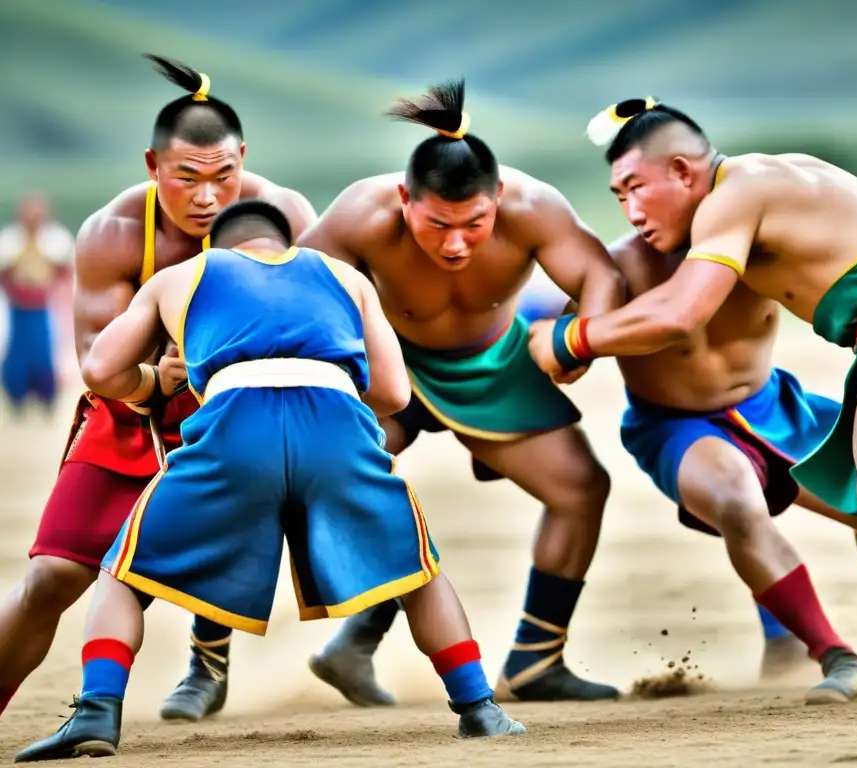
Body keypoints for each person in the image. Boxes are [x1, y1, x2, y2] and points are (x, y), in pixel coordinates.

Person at [527, 96, 857, 719]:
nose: (629, 209)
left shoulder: (736, 194)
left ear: (684, 171)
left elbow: (682, 312)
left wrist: (570, 338)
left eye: (636, 187)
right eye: (616, 194)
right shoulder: (761, 183)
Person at [12, 200, 526, 763]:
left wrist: (155, 380)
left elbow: (99, 370)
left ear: (222, 248)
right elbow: (395, 395)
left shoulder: (182, 276)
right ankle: (479, 707)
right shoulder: (344, 276)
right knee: (419, 570)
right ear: (286, 243)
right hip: (334, 422)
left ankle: (97, 713)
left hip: (232, 423)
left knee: (122, 572)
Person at [0, 55, 318, 724]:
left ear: (243, 160)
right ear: (152, 166)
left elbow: (328, 319)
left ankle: (211, 658)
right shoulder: (112, 234)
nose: (207, 198)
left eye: (223, 177)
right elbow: (96, 360)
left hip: (247, 413)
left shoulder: (287, 214)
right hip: (130, 409)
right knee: (52, 577)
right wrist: (155, 378)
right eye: (187, 179)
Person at [296, 78, 625, 705]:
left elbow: (598, 272)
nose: (455, 243)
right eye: (437, 224)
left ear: (498, 197)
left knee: (581, 487)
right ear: (404, 199)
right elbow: (291, 291)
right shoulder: (361, 216)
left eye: (474, 223)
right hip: (390, 366)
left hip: (495, 361)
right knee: (349, 476)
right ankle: (355, 639)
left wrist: (581, 338)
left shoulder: (535, 207)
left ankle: (535, 660)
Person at [598, 230, 857, 702]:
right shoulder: (617, 264)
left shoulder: (764, 243)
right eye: (625, 190)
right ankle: (831, 651)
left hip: (778, 404)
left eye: (643, 186)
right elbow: (557, 340)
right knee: (739, 502)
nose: (636, 207)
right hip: (675, 423)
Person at [0, 192, 73, 414]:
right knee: (15, 351)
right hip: (16, 307)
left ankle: (46, 398)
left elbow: (65, 271)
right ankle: (16, 397)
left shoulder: (55, 238)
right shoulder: (11, 238)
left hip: (45, 306)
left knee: (46, 351)